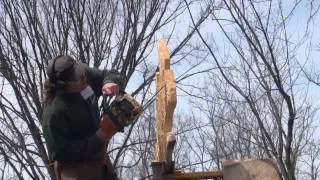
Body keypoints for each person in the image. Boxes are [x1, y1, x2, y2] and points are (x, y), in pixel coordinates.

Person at [42, 55, 125, 180]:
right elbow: (61, 152)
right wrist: (99, 137)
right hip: (74, 169)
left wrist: (109, 82)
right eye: (77, 77)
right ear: (63, 84)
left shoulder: (84, 77)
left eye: (81, 72)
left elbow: (109, 74)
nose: (83, 78)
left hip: (100, 159)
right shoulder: (54, 114)